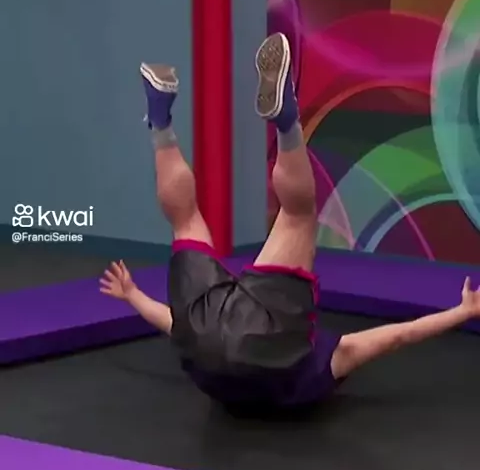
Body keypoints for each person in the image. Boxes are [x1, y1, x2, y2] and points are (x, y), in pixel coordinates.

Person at [99, 33, 480, 411]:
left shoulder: (317, 366)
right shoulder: (280, 363)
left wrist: (461, 312)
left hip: (265, 332)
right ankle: (160, 123)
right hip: (202, 347)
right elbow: (177, 324)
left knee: (297, 215)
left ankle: (286, 123)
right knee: (185, 221)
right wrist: (133, 295)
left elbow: (394, 338)